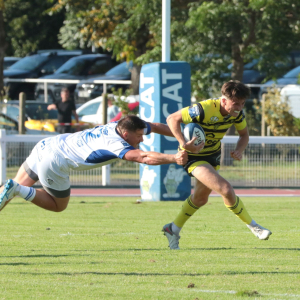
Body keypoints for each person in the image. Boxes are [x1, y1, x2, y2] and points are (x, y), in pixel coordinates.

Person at [162, 80, 272, 250]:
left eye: (242, 103)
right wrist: (184, 143)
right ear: (223, 100)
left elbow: (244, 135)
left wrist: (239, 150)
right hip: (193, 156)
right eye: (236, 103)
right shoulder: (203, 109)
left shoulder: (238, 114)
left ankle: (172, 229)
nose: (239, 107)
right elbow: (172, 119)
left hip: (213, 156)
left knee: (200, 199)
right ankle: (254, 227)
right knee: (226, 189)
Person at [0, 115, 187, 213]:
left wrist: (183, 139)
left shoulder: (118, 125)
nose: (141, 139)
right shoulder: (116, 143)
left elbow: (153, 126)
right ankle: (17, 189)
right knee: (58, 205)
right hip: (54, 161)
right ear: (125, 135)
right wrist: (174, 158)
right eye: (138, 137)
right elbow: (144, 157)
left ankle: (15, 188)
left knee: (7, 193)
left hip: (46, 144)